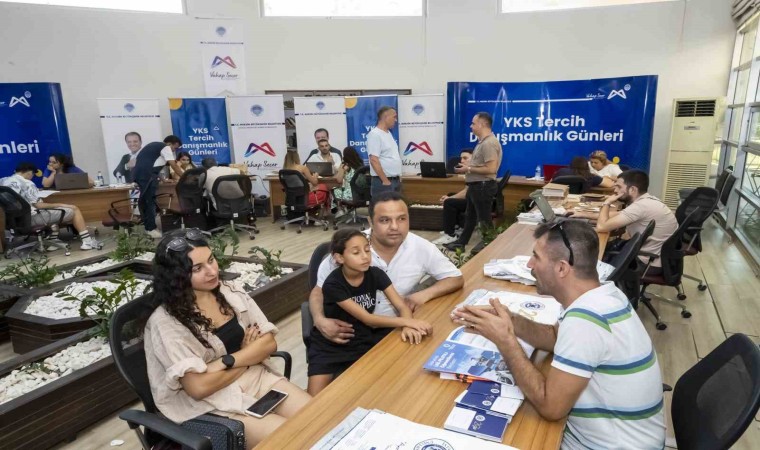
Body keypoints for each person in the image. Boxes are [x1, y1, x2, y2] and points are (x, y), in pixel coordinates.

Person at [452, 221, 665, 449]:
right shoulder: (604, 294)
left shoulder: (585, 322)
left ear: (562, 268)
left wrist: (506, 340)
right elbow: (555, 336)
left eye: (536, 257)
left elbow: (550, 407)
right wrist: (510, 319)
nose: (530, 264)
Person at [143, 229, 311, 448]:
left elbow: (269, 343)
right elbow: (198, 388)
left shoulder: (228, 290)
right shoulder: (166, 323)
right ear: (177, 276)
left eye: (211, 260)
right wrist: (246, 356)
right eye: (198, 268)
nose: (212, 271)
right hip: (210, 405)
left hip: (255, 377)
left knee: (321, 416)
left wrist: (223, 363)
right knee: (293, 439)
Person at [309, 191, 463, 345]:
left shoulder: (421, 247)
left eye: (401, 219)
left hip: (396, 329)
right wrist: (319, 320)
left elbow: (455, 278)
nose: (395, 227)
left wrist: (424, 295)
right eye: (384, 220)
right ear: (371, 222)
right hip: (348, 334)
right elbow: (318, 291)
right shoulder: (349, 248)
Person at [307, 229, 433, 395]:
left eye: (367, 250)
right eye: (356, 252)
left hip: (364, 337)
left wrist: (408, 325)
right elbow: (368, 319)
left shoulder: (376, 274)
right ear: (339, 258)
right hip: (331, 344)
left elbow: (401, 306)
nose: (365, 256)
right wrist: (409, 322)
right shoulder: (333, 284)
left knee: (389, 385)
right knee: (312, 400)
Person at [570, 169, 677, 274]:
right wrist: (582, 214)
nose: (615, 190)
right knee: (597, 247)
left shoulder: (641, 207)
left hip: (646, 263)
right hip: (655, 258)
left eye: (619, 187)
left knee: (588, 254)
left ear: (633, 190)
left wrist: (607, 203)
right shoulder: (646, 201)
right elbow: (617, 215)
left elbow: (602, 227)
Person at [1, 162, 99, 250]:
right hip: (31, 219)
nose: (32, 177)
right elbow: (39, 205)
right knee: (74, 209)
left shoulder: (3, 181)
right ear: (29, 172)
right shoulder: (27, 183)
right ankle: (87, 242)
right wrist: (61, 204)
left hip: (12, 222)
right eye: (33, 175)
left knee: (53, 211)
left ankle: (52, 242)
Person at [444, 112, 503, 253]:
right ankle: (461, 243)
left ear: (482, 124)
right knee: (470, 217)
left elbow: (491, 168)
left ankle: (489, 245)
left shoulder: (489, 143)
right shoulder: (482, 142)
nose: (471, 126)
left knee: (484, 219)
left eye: (473, 123)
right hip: (476, 186)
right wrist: (468, 170)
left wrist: (468, 168)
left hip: (483, 186)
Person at [133, 135, 184, 238]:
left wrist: (163, 179)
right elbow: (173, 165)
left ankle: (149, 226)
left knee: (147, 201)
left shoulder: (154, 146)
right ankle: (150, 229)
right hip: (147, 176)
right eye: (175, 147)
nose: (175, 150)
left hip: (142, 175)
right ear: (169, 143)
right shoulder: (165, 147)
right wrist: (185, 176)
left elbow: (153, 166)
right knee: (149, 202)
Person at [433, 149, 473, 245]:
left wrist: (449, 199)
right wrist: (451, 197)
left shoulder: (473, 171)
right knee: (450, 195)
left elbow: (467, 192)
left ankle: (450, 234)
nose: (462, 161)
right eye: (461, 158)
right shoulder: (469, 171)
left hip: (475, 202)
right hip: (472, 197)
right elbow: (466, 190)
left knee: (449, 202)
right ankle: (458, 227)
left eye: (465, 158)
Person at [367, 106, 401, 196]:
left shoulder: (388, 133)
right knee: (384, 209)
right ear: (386, 117)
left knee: (396, 209)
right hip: (383, 182)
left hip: (395, 180)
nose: (396, 120)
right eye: (394, 117)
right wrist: (385, 181)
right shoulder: (375, 134)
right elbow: (374, 159)